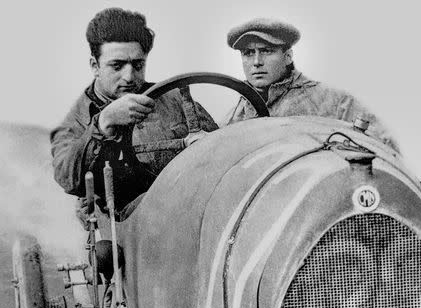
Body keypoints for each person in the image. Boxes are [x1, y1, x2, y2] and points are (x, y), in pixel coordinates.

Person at [51, 7, 218, 219]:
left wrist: (210, 144)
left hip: (188, 217)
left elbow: (222, 152)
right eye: (117, 66)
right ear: (95, 66)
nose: (129, 77)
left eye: (138, 65)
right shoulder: (78, 118)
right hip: (124, 233)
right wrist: (104, 122)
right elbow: (67, 178)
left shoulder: (174, 99)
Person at [224, 18, 399, 151]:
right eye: (248, 53)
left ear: (288, 56)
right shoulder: (236, 114)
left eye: (266, 51)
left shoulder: (335, 102)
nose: (256, 62)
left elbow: (386, 150)